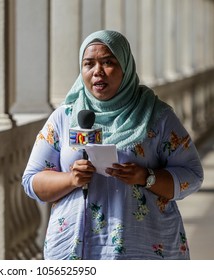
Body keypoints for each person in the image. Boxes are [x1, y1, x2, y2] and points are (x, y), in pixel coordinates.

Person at [21, 30, 204, 260]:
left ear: (125, 66)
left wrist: (147, 177)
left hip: (144, 247)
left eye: (108, 62)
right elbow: (32, 181)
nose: (97, 71)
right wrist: (71, 179)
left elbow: (193, 174)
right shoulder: (64, 118)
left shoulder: (156, 116)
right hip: (77, 248)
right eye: (89, 64)